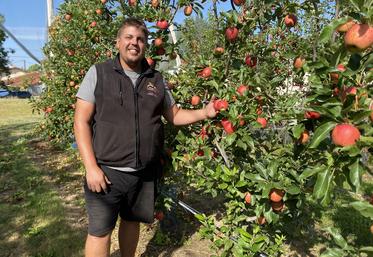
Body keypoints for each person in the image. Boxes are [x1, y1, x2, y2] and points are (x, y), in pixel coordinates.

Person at [74, 17, 216, 257]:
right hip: (107, 171)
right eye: (128, 38)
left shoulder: (156, 79)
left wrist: (205, 112)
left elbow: (175, 115)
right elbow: (81, 121)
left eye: (140, 39)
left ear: (146, 45)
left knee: (132, 222)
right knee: (100, 232)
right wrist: (91, 167)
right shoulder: (99, 73)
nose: (134, 43)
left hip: (143, 173)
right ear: (118, 42)